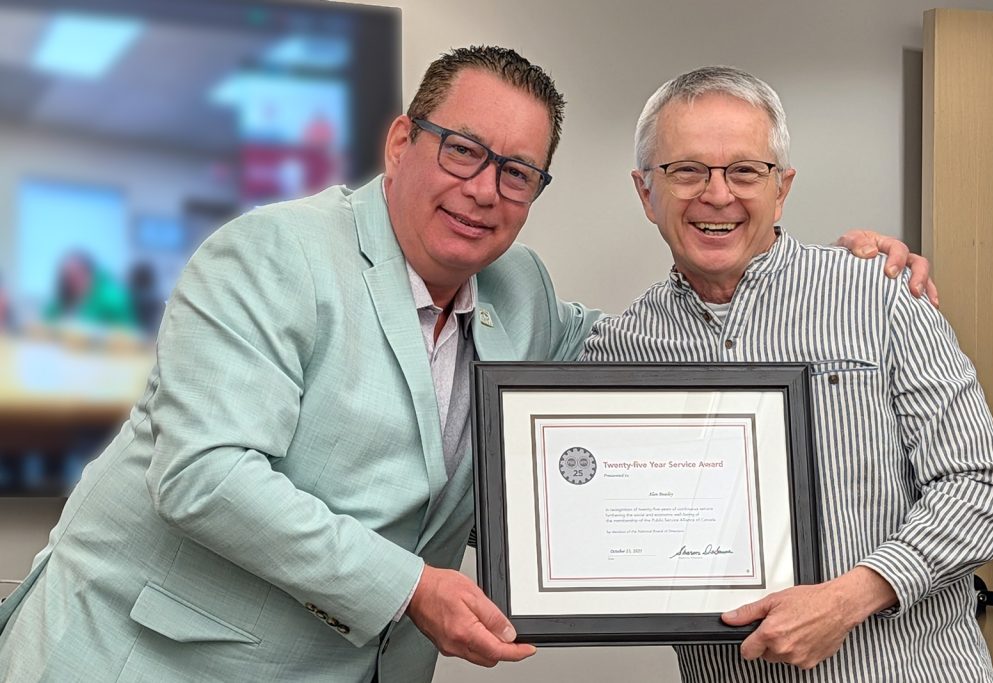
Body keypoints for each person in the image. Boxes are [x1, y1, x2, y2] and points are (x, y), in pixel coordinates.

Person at [0, 47, 928, 682]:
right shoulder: (273, 254)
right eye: (464, 151)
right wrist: (412, 587)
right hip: (147, 655)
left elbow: (654, 357)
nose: (485, 189)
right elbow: (204, 475)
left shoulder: (519, 290)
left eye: (517, 171)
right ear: (402, 143)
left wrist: (836, 271)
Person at [580, 66, 993, 682]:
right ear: (645, 190)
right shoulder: (617, 352)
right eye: (686, 170)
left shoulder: (880, 295)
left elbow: (985, 489)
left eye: (745, 170)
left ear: (781, 187)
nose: (717, 195)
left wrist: (850, 597)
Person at [43, 250, 137, 329]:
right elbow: (47, 321)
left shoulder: (113, 300)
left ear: (88, 273)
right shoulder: (61, 300)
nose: (71, 281)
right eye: (67, 276)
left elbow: (126, 334)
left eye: (76, 274)